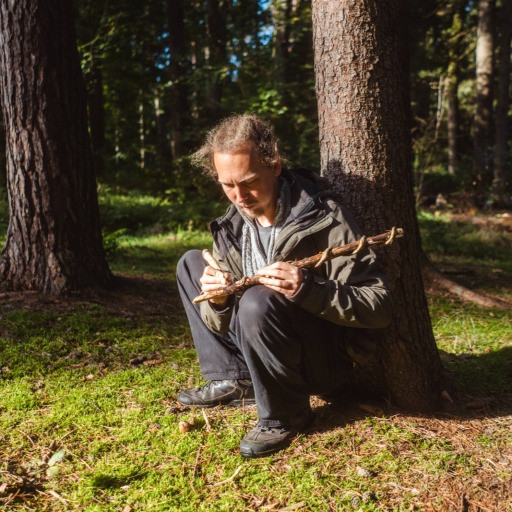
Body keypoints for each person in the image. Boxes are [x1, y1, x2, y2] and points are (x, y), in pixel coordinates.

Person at [176, 114, 392, 458]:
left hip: (320, 357)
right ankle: (238, 380)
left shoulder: (323, 216)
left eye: (248, 182)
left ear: (275, 166)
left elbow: (378, 306)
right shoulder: (232, 227)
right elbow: (217, 324)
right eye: (227, 185)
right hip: (256, 340)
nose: (239, 196)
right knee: (190, 263)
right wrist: (216, 301)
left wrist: (307, 288)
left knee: (257, 301)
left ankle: (285, 412)